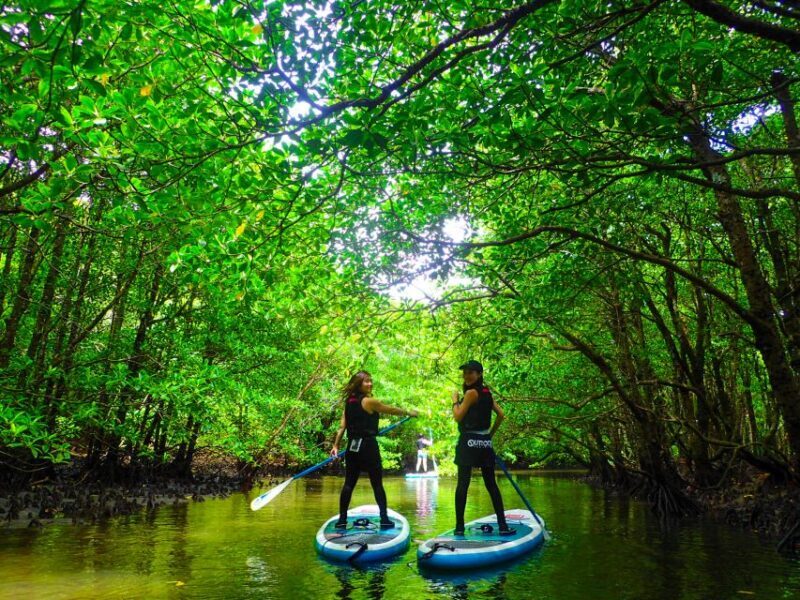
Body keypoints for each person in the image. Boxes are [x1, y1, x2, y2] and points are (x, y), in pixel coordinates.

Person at [331, 370, 419, 529]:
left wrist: (336, 445)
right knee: (377, 484)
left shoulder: (348, 402)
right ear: (358, 384)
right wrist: (408, 412)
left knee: (349, 483)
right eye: (366, 381)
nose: (370, 384)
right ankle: (384, 519)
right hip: (368, 446)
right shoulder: (368, 401)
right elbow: (390, 409)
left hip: (352, 446)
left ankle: (342, 520)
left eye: (371, 381)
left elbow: (342, 427)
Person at [451, 360, 515, 536]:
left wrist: (455, 401)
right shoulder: (487, 392)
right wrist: (489, 435)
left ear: (479, 374)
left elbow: (457, 416)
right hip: (485, 442)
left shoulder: (471, 393)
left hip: (469, 442)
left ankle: (459, 528)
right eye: (465, 373)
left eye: (471, 373)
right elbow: (501, 415)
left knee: (463, 484)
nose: (466, 376)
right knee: (491, 484)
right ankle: (502, 526)